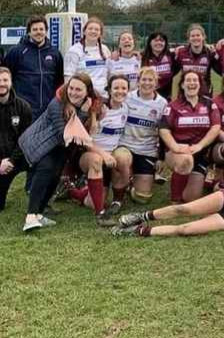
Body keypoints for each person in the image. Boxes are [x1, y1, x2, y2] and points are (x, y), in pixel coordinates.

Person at [18, 73, 101, 232]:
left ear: (87, 92)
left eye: (78, 89)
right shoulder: (57, 104)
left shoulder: (89, 104)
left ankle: (39, 213)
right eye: (71, 88)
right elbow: (66, 135)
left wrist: (87, 112)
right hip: (42, 144)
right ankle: (30, 216)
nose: (73, 92)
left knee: (55, 177)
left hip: (61, 148)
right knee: (44, 173)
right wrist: (83, 113)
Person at [67, 75, 131, 226]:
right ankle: (75, 193)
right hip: (90, 154)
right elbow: (84, 139)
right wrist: (102, 154)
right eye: (116, 88)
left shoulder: (125, 108)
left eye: (124, 88)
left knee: (123, 157)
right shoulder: (99, 109)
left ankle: (118, 200)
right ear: (108, 89)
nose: (120, 91)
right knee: (91, 201)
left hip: (111, 156)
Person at [159, 70, 221, 204]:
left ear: (200, 85)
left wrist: (200, 145)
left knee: (191, 198)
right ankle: (174, 202)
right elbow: (164, 130)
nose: (191, 83)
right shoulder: (173, 106)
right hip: (178, 152)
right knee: (186, 160)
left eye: (195, 81)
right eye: (188, 80)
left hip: (199, 153)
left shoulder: (210, 104)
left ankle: (205, 180)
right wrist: (176, 147)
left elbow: (215, 128)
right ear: (182, 85)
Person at [116, 67, 168, 204]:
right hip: (125, 145)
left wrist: (160, 158)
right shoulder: (128, 97)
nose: (147, 83)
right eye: (143, 79)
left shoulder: (162, 104)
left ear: (156, 83)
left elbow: (163, 132)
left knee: (142, 198)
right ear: (138, 82)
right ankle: (123, 180)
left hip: (146, 150)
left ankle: (133, 181)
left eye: (150, 80)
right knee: (123, 159)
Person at [4, 15, 64, 120]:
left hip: (47, 110)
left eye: (41, 29)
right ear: (29, 32)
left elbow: (60, 81)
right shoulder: (16, 51)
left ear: (46, 31)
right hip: (22, 109)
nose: (38, 32)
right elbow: (6, 77)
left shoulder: (55, 53)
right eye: (35, 29)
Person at [0, 67, 33, 211]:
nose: (2, 84)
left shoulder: (23, 107)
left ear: (11, 82)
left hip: (15, 159)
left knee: (42, 161)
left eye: (5, 80)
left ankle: (38, 200)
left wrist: (11, 161)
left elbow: (24, 139)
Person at [63, 17, 111, 96]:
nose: (93, 31)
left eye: (96, 29)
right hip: (83, 97)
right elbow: (68, 79)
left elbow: (110, 73)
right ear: (84, 32)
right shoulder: (74, 51)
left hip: (103, 97)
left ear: (100, 34)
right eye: (90, 28)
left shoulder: (105, 49)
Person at [173, 24, 213, 96]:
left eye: (198, 35)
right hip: (185, 93)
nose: (195, 38)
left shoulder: (210, 52)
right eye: (193, 36)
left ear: (203, 37)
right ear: (189, 38)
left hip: (204, 93)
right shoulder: (181, 52)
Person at [141, 31, 176, 100]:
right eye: (155, 40)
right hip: (147, 96)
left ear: (165, 43)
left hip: (166, 97)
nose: (159, 43)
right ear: (150, 42)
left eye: (162, 40)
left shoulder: (172, 56)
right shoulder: (142, 57)